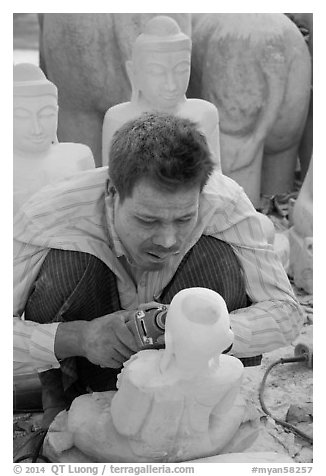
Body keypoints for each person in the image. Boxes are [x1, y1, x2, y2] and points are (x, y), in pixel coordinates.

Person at [14, 112, 303, 428]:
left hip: (189, 369)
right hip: (86, 364)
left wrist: (200, 330)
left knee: (219, 255)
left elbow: (286, 314)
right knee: (67, 258)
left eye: (183, 219)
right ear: (113, 193)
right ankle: (62, 400)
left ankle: (204, 401)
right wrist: (80, 337)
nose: (168, 240)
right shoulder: (49, 214)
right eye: (147, 220)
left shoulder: (224, 202)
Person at [102, 15, 222, 170]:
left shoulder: (204, 113)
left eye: (181, 70)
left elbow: (217, 182)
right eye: (157, 72)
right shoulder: (119, 119)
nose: (171, 85)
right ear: (133, 72)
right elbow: (113, 185)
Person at [13, 63, 95, 216]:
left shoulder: (79, 157)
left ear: (57, 113)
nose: (36, 129)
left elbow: (92, 217)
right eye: (22, 116)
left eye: (46, 114)